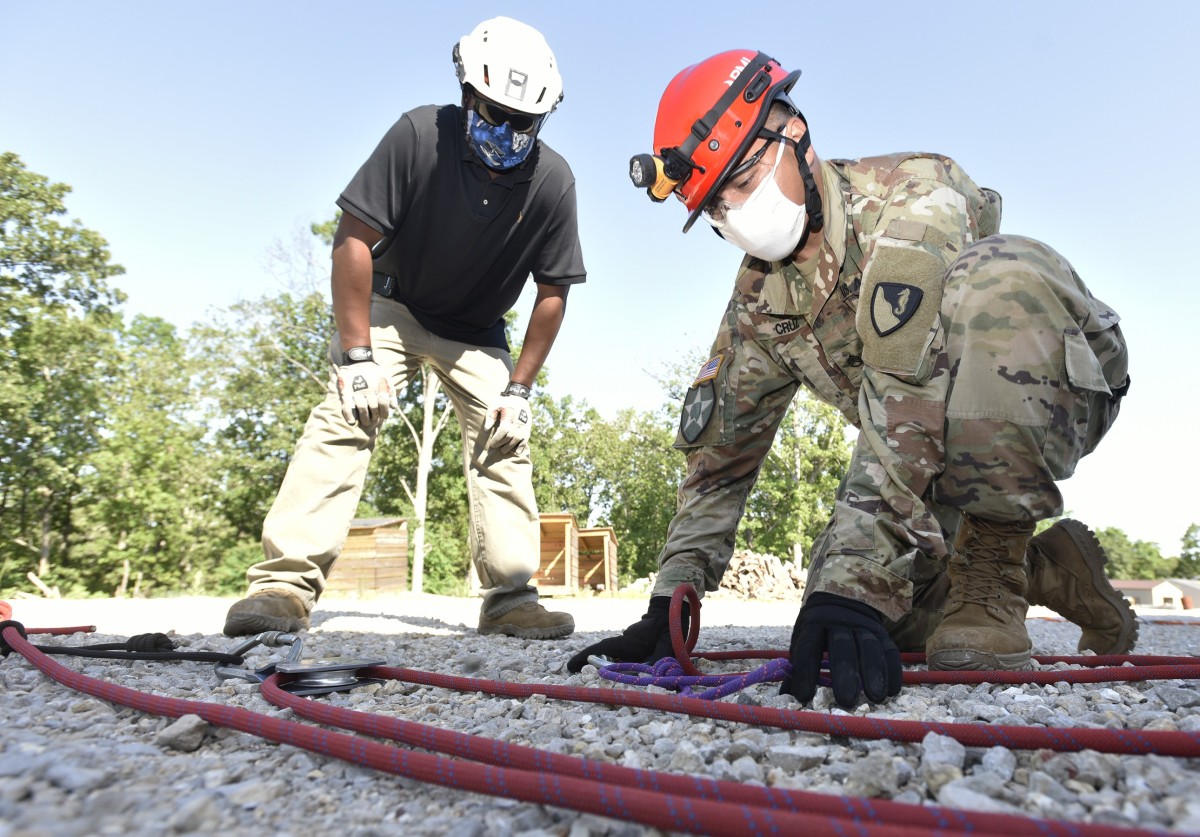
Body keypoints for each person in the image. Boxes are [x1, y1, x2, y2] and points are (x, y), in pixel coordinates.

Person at [569, 50, 1134, 708]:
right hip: (937, 441)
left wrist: (848, 584)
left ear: (795, 134)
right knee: (875, 622)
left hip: (1056, 373)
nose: (738, 211)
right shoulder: (761, 294)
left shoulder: (912, 195)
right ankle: (1049, 568)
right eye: (717, 207)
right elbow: (720, 455)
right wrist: (670, 603)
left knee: (996, 276)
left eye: (745, 178)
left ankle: (996, 565)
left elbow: (910, 384)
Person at [224, 17, 585, 641]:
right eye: (492, 112)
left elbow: (552, 293)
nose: (504, 132)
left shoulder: (553, 182)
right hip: (395, 305)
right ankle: (284, 583)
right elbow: (354, 241)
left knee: (504, 440)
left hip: (477, 330)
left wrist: (520, 392)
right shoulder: (420, 134)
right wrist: (359, 357)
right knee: (346, 412)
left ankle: (509, 598)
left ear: (543, 118)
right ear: (467, 91)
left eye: (521, 122)